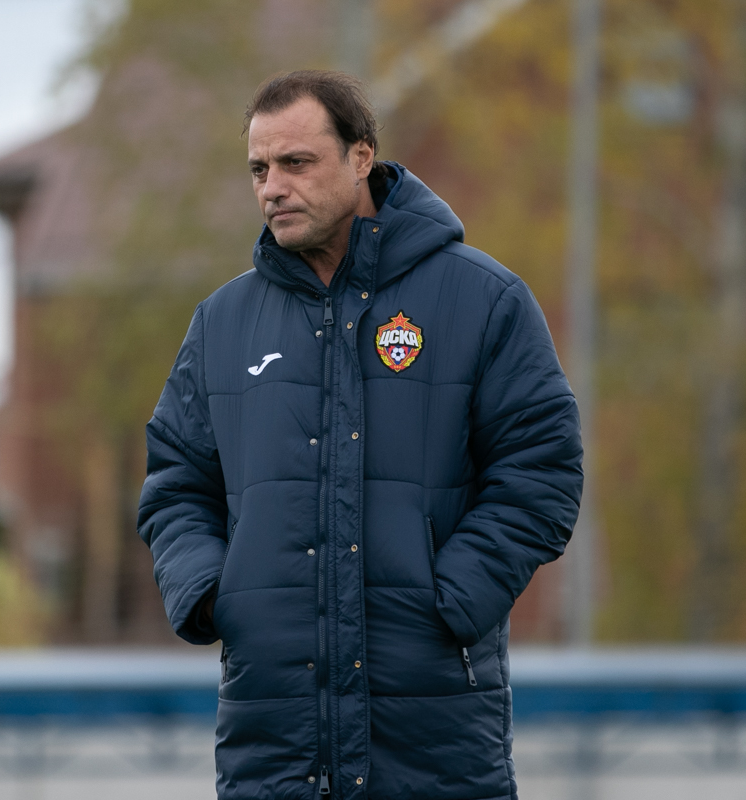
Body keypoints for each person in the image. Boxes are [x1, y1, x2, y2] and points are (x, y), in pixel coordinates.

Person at [138, 70, 583, 800]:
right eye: (259, 169)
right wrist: (221, 596)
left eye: (296, 162)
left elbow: (543, 471)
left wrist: (450, 600)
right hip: (275, 740)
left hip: (433, 730)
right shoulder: (222, 323)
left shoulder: (484, 300)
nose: (273, 187)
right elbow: (175, 483)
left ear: (360, 157)